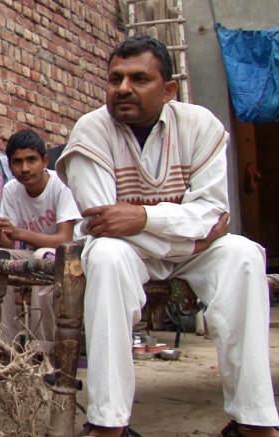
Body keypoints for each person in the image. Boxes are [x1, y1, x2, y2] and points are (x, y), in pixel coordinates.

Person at [55, 35, 279, 436]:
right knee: (105, 255)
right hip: (130, 252)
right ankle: (109, 424)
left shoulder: (199, 125)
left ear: (169, 89)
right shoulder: (91, 131)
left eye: (139, 79)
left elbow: (214, 212)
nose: (123, 88)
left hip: (174, 246)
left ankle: (255, 421)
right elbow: (104, 223)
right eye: (115, 79)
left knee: (243, 255)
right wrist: (191, 230)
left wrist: (141, 218)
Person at [0, 129, 81, 348]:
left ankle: (44, 346)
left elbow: (65, 240)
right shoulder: (12, 189)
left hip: (70, 257)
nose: (24, 168)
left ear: (44, 160)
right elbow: (8, 244)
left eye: (31, 160)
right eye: (17, 162)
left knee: (44, 256)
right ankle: (6, 342)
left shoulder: (61, 185)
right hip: (34, 252)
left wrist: (20, 233)